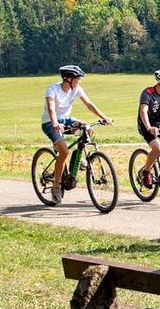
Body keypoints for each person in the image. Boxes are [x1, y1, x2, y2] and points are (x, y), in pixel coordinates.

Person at [41, 64, 111, 205]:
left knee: (87, 128)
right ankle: (56, 187)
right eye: (77, 79)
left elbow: (89, 104)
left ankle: (78, 161)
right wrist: (55, 123)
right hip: (50, 122)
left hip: (67, 120)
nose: (79, 81)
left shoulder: (76, 89)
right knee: (64, 152)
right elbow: (51, 109)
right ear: (68, 79)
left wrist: (104, 117)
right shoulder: (52, 89)